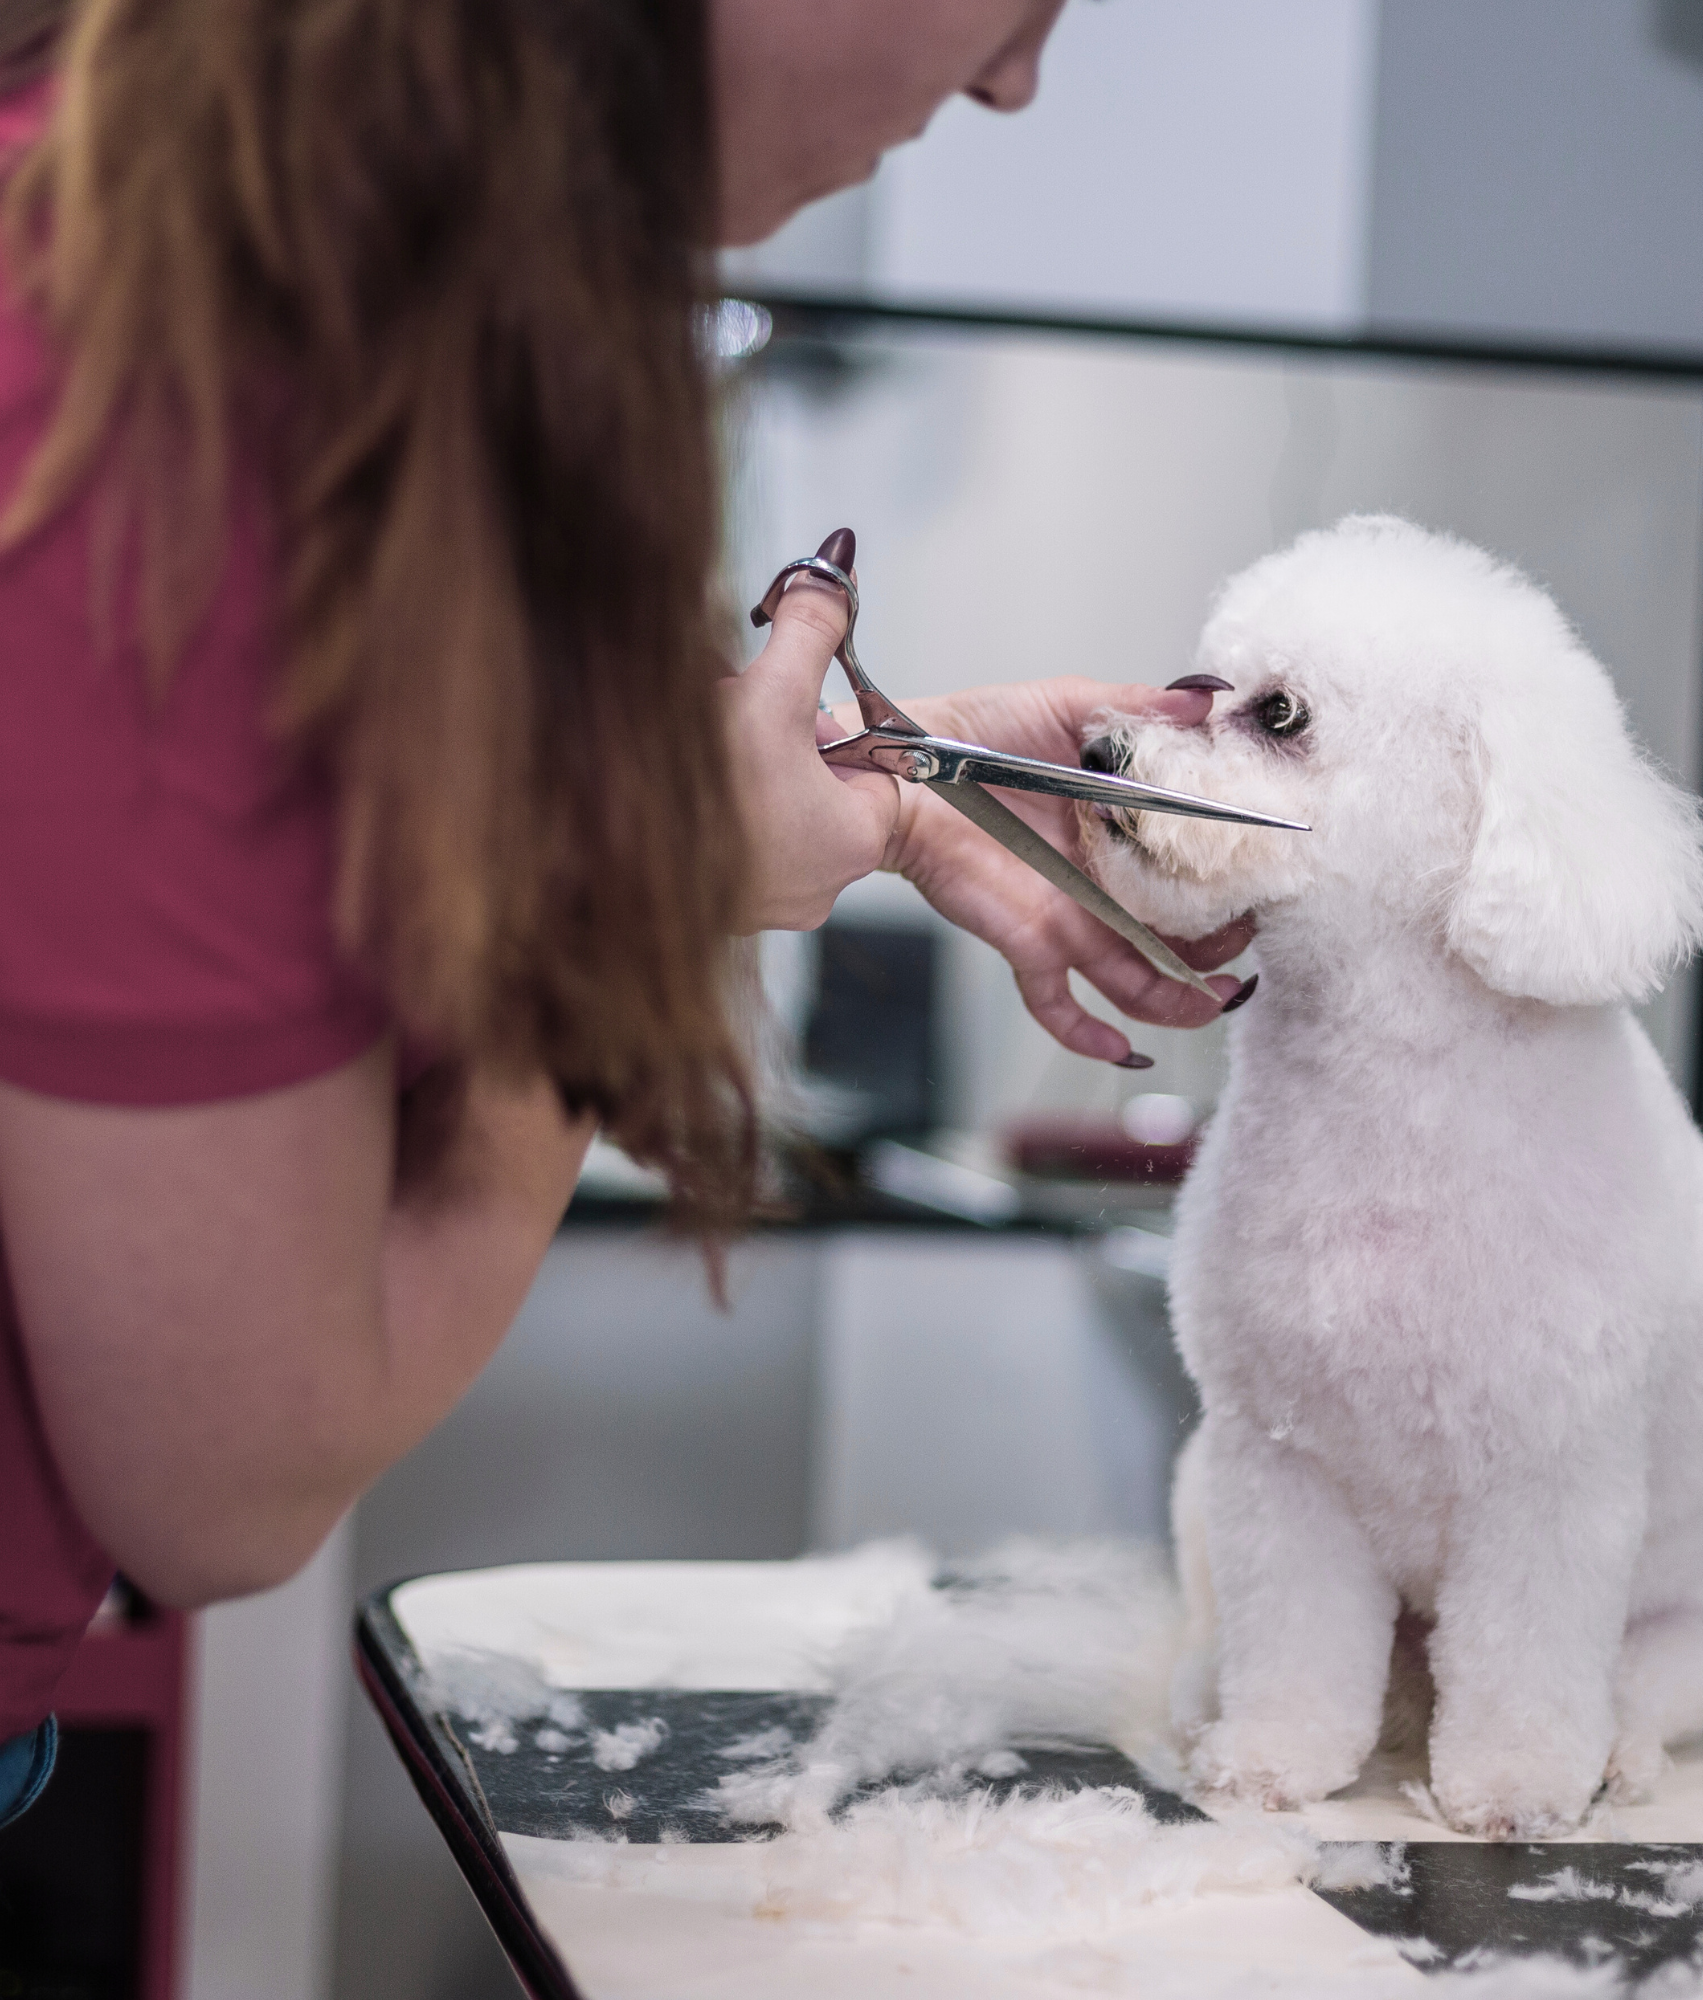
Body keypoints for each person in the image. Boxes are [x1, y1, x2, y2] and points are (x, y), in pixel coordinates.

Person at [0, 0, 1253, 1827]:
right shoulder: (154, 382)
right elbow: (229, 1487)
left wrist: (869, 776)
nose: (1014, 80)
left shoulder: (289, 279)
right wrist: (645, 884)